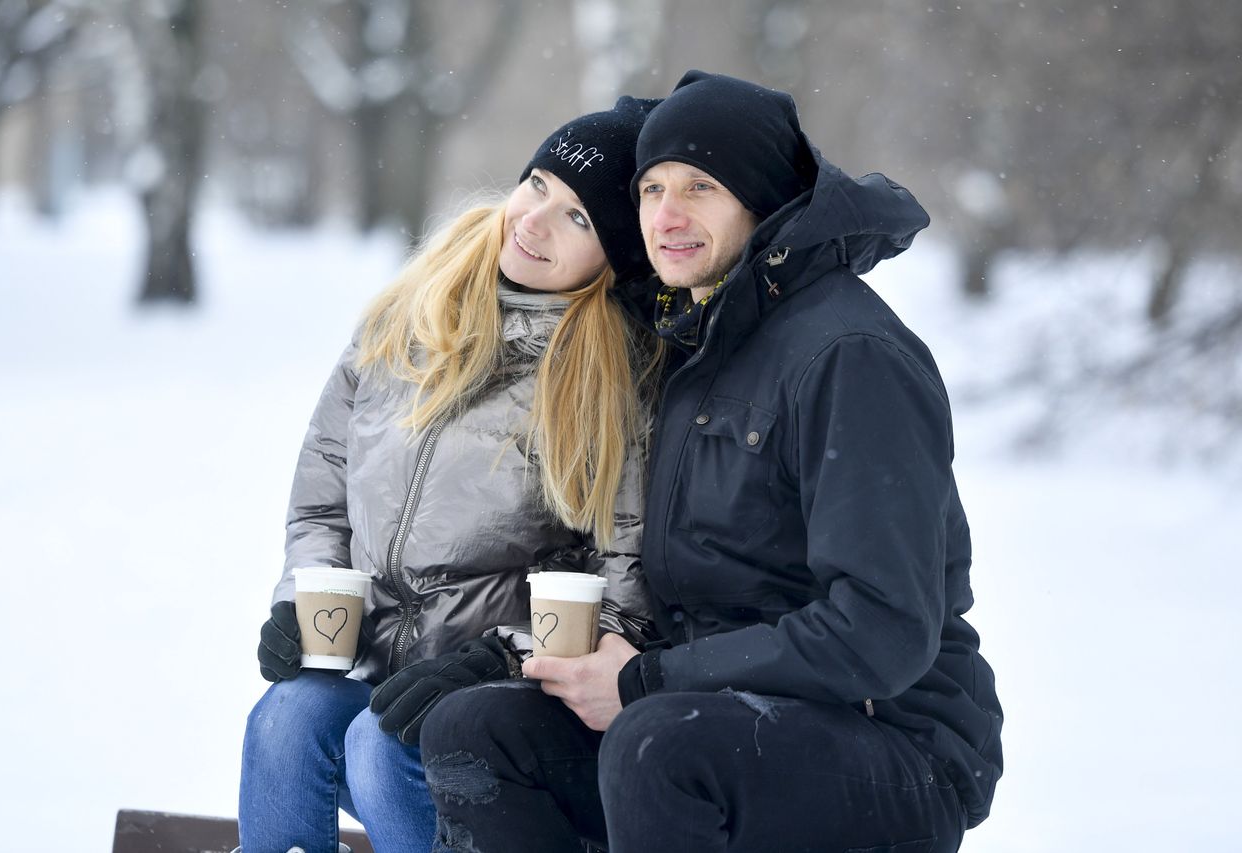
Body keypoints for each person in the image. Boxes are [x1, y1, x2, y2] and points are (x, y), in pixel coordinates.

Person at [419, 70, 1004, 853]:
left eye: (701, 187)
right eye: (652, 187)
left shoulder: (848, 355)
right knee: (478, 728)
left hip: (894, 744)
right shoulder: (697, 335)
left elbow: (881, 631)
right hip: (714, 718)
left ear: (761, 203)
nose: (667, 215)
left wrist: (649, 682)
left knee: (657, 742)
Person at [236, 97, 661, 853]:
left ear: (613, 257)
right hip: (373, 671)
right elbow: (322, 502)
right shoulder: (407, 317)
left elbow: (622, 585)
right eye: (536, 184)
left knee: (380, 739)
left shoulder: (609, 382)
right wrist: (300, 603)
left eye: (578, 218)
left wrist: (501, 651)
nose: (532, 221)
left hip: (492, 708)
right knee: (288, 716)